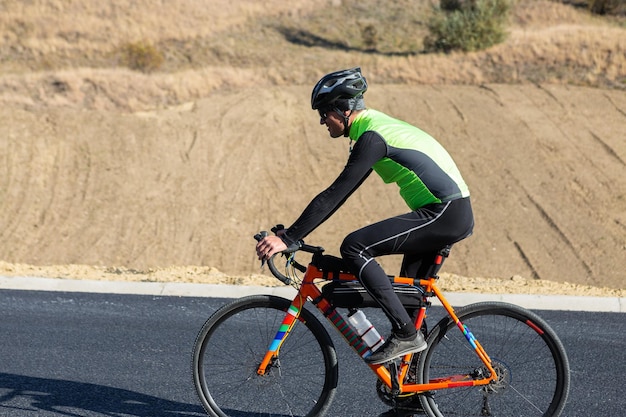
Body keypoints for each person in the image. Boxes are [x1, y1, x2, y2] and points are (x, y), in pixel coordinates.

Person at [256, 67, 474, 366]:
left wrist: (291, 237)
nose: (321, 120)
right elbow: (341, 193)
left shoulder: (373, 137)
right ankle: (409, 395)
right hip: (443, 212)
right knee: (410, 299)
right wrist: (291, 235)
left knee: (355, 246)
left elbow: (336, 193)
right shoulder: (371, 130)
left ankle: (406, 334)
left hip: (445, 212)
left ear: (344, 110)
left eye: (324, 113)